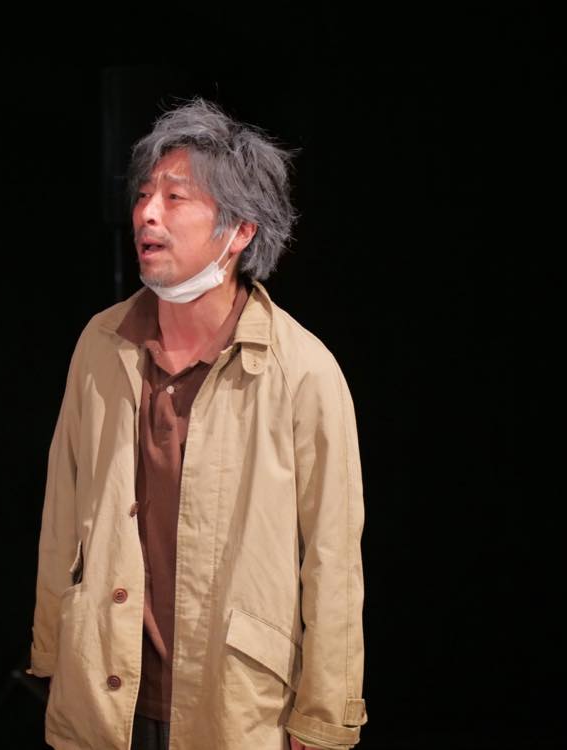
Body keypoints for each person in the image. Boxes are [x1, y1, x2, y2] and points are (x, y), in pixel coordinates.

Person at [28, 98, 367, 750]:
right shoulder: (101, 343)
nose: (147, 213)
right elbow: (62, 512)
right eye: (144, 194)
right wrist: (51, 645)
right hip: (104, 697)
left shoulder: (302, 372)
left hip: (233, 705)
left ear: (239, 231)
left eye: (175, 196)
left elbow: (333, 562)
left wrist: (324, 718)